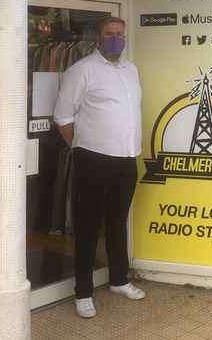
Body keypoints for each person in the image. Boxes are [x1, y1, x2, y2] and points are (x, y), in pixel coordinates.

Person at [54, 17, 145, 319]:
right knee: (88, 227)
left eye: (120, 34)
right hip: (92, 159)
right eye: (110, 34)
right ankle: (83, 292)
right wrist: (82, 148)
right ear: (99, 38)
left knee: (118, 222)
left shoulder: (130, 70)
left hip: (126, 159)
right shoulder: (81, 71)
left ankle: (119, 279)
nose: (115, 38)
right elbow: (63, 117)